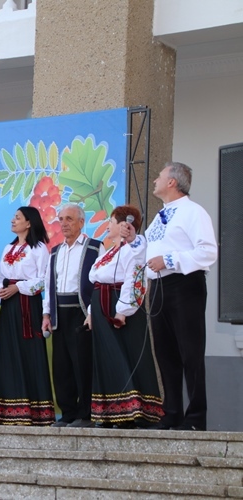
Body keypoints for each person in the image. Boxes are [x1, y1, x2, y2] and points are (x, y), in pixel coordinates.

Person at [145, 162, 217, 431]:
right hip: (160, 287)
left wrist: (170, 260)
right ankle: (172, 413)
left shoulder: (193, 212)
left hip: (185, 285)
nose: (155, 180)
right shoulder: (161, 215)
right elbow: (154, 250)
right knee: (165, 353)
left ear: (173, 182)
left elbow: (208, 252)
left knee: (191, 353)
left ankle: (196, 418)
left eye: (159, 176)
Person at [86, 206, 163, 428]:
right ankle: (110, 412)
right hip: (102, 304)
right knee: (106, 357)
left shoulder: (133, 248)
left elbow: (136, 279)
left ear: (123, 225)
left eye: (111, 221)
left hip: (118, 305)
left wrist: (123, 310)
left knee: (122, 355)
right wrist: (92, 313)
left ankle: (131, 412)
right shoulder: (110, 251)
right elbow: (97, 280)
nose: (108, 226)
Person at [0, 208, 54, 425]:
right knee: (7, 352)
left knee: (28, 352)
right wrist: (0, 289)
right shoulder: (8, 247)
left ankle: (33, 410)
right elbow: (0, 277)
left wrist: (18, 288)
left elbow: (43, 280)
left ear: (29, 223)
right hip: (8, 305)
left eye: (17, 217)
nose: (12, 220)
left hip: (28, 304)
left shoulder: (39, 249)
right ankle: (7, 409)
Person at [42, 204, 101, 428]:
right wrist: (46, 313)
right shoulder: (56, 251)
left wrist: (93, 312)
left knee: (82, 363)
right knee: (62, 365)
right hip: (60, 311)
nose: (64, 223)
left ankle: (85, 414)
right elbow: (49, 284)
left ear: (81, 222)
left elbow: (98, 284)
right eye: (61, 219)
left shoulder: (94, 248)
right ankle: (67, 413)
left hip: (81, 312)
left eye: (69, 219)